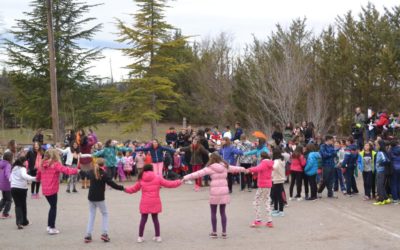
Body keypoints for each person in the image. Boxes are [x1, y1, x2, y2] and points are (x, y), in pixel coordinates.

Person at [183, 152, 246, 239]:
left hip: (214, 192)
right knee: (223, 212)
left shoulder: (210, 168)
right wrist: (244, 169)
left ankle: (214, 232)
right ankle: (224, 233)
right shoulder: (225, 166)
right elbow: (236, 168)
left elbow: (197, 173)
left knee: (213, 213)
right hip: (224, 191)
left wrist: (185, 178)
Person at [125, 164, 182, 243]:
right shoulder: (157, 177)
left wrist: (125, 189)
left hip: (145, 202)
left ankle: (140, 237)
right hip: (155, 202)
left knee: (143, 220)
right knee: (155, 219)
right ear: (152, 169)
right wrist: (179, 182)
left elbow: (133, 189)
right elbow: (169, 184)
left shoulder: (141, 179)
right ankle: (158, 236)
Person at [36, 149, 79, 235]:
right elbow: (66, 170)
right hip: (52, 189)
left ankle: (49, 226)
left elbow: (38, 176)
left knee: (52, 207)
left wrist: (37, 179)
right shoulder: (55, 164)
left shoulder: (42, 164)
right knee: (53, 207)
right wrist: (76, 170)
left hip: (45, 190)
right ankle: (52, 227)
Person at [84, 158, 125, 243]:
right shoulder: (104, 174)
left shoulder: (92, 171)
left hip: (91, 197)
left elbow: (83, 173)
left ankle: (88, 235)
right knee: (105, 214)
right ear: (103, 165)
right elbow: (112, 184)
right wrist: (122, 188)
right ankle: (104, 234)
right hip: (99, 198)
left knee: (92, 215)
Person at [247, 152, 274, 227]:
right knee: (267, 202)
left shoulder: (264, 163)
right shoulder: (270, 163)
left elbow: (257, 168)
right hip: (268, 185)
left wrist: (249, 169)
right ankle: (269, 221)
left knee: (256, 202)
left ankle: (258, 220)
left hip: (262, 185)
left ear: (261, 157)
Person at [10, 156, 37, 229]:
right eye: (26, 161)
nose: (26, 162)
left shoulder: (13, 168)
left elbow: (10, 178)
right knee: (23, 205)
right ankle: (24, 221)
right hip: (21, 188)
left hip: (13, 188)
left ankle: (19, 222)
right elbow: (24, 176)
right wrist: (35, 178)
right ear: (23, 162)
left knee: (18, 205)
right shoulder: (22, 168)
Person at [373, 140, 391, 205]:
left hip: (381, 172)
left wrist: (381, 164)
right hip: (379, 171)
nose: (375, 146)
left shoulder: (381, 152)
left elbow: (387, 160)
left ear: (380, 145)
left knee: (379, 186)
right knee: (381, 186)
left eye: (377, 145)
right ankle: (386, 199)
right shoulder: (378, 152)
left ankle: (381, 200)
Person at [270, 148, 286, 216]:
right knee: (276, 195)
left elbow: (275, 167)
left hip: (276, 179)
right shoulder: (282, 160)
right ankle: (276, 209)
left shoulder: (276, 161)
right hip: (279, 179)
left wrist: (270, 168)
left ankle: (281, 211)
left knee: (277, 196)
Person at [0, 152, 13, 219]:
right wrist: (11, 179)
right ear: (10, 158)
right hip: (7, 185)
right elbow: (7, 173)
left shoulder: (1, 163)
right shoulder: (8, 165)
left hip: (2, 184)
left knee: (4, 199)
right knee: (9, 200)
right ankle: (5, 213)